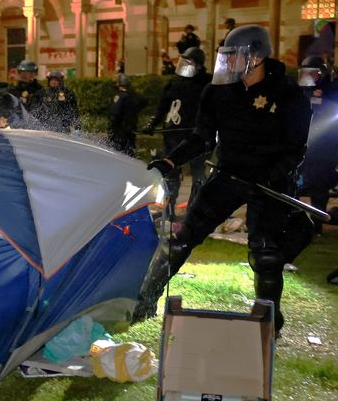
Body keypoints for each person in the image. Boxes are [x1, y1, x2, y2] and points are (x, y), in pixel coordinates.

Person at [139, 25, 313, 337]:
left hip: (268, 183)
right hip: (228, 175)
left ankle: (268, 321)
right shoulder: (217, 92)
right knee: (181, 238)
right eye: (226, 57)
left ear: (256, 56)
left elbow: (295, 150)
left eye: (234, 56)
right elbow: (201, 138)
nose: (228, 63)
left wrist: (270, 176)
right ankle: (143, 299)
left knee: (266, 253)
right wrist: (170, 160)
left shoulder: (289, 94)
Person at [142, 47, 212, 219]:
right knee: (171, 173)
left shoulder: (206, 84)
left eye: (190, 62)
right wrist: (153, 123)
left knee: (198, 173)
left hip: (195, 136)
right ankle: (169, 210)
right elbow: (163, 105)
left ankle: (194, 211)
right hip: (173, 134)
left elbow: (211, 110)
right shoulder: (175, 82)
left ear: (198, 65)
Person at [296, 56, 338, 235]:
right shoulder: (301, 90)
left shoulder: (331, 88)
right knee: (293, 185)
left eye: (312, 73)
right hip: (303, 143)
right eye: (306, 73)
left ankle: (317, 223)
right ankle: (292, 222)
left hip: (324, 145)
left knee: (319, 187)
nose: (309, 76)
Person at [109, 73, 146, 156]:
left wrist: (111, 129)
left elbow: (115, 114)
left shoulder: (119, 96)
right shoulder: (134, 96)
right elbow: (143, 103)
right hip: (131, 129)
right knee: (130, 151)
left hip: (120, 131)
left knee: (119, 153)